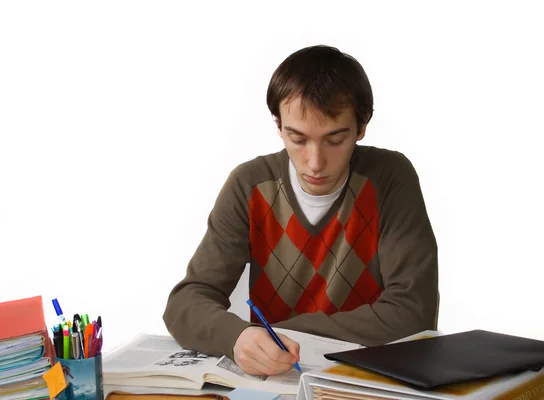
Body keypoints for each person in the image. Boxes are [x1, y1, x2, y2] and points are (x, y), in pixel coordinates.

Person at [163, 45, 439, 377]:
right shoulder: (249, 185)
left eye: (335, 140)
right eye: (298, 139)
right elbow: (186, 301)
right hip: (276, 377)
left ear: (362, 127)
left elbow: (413, 312)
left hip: (368, 378)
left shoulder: (389, 178)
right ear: (278, 126)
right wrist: (237, 337)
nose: (315, 162)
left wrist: (284, 332)